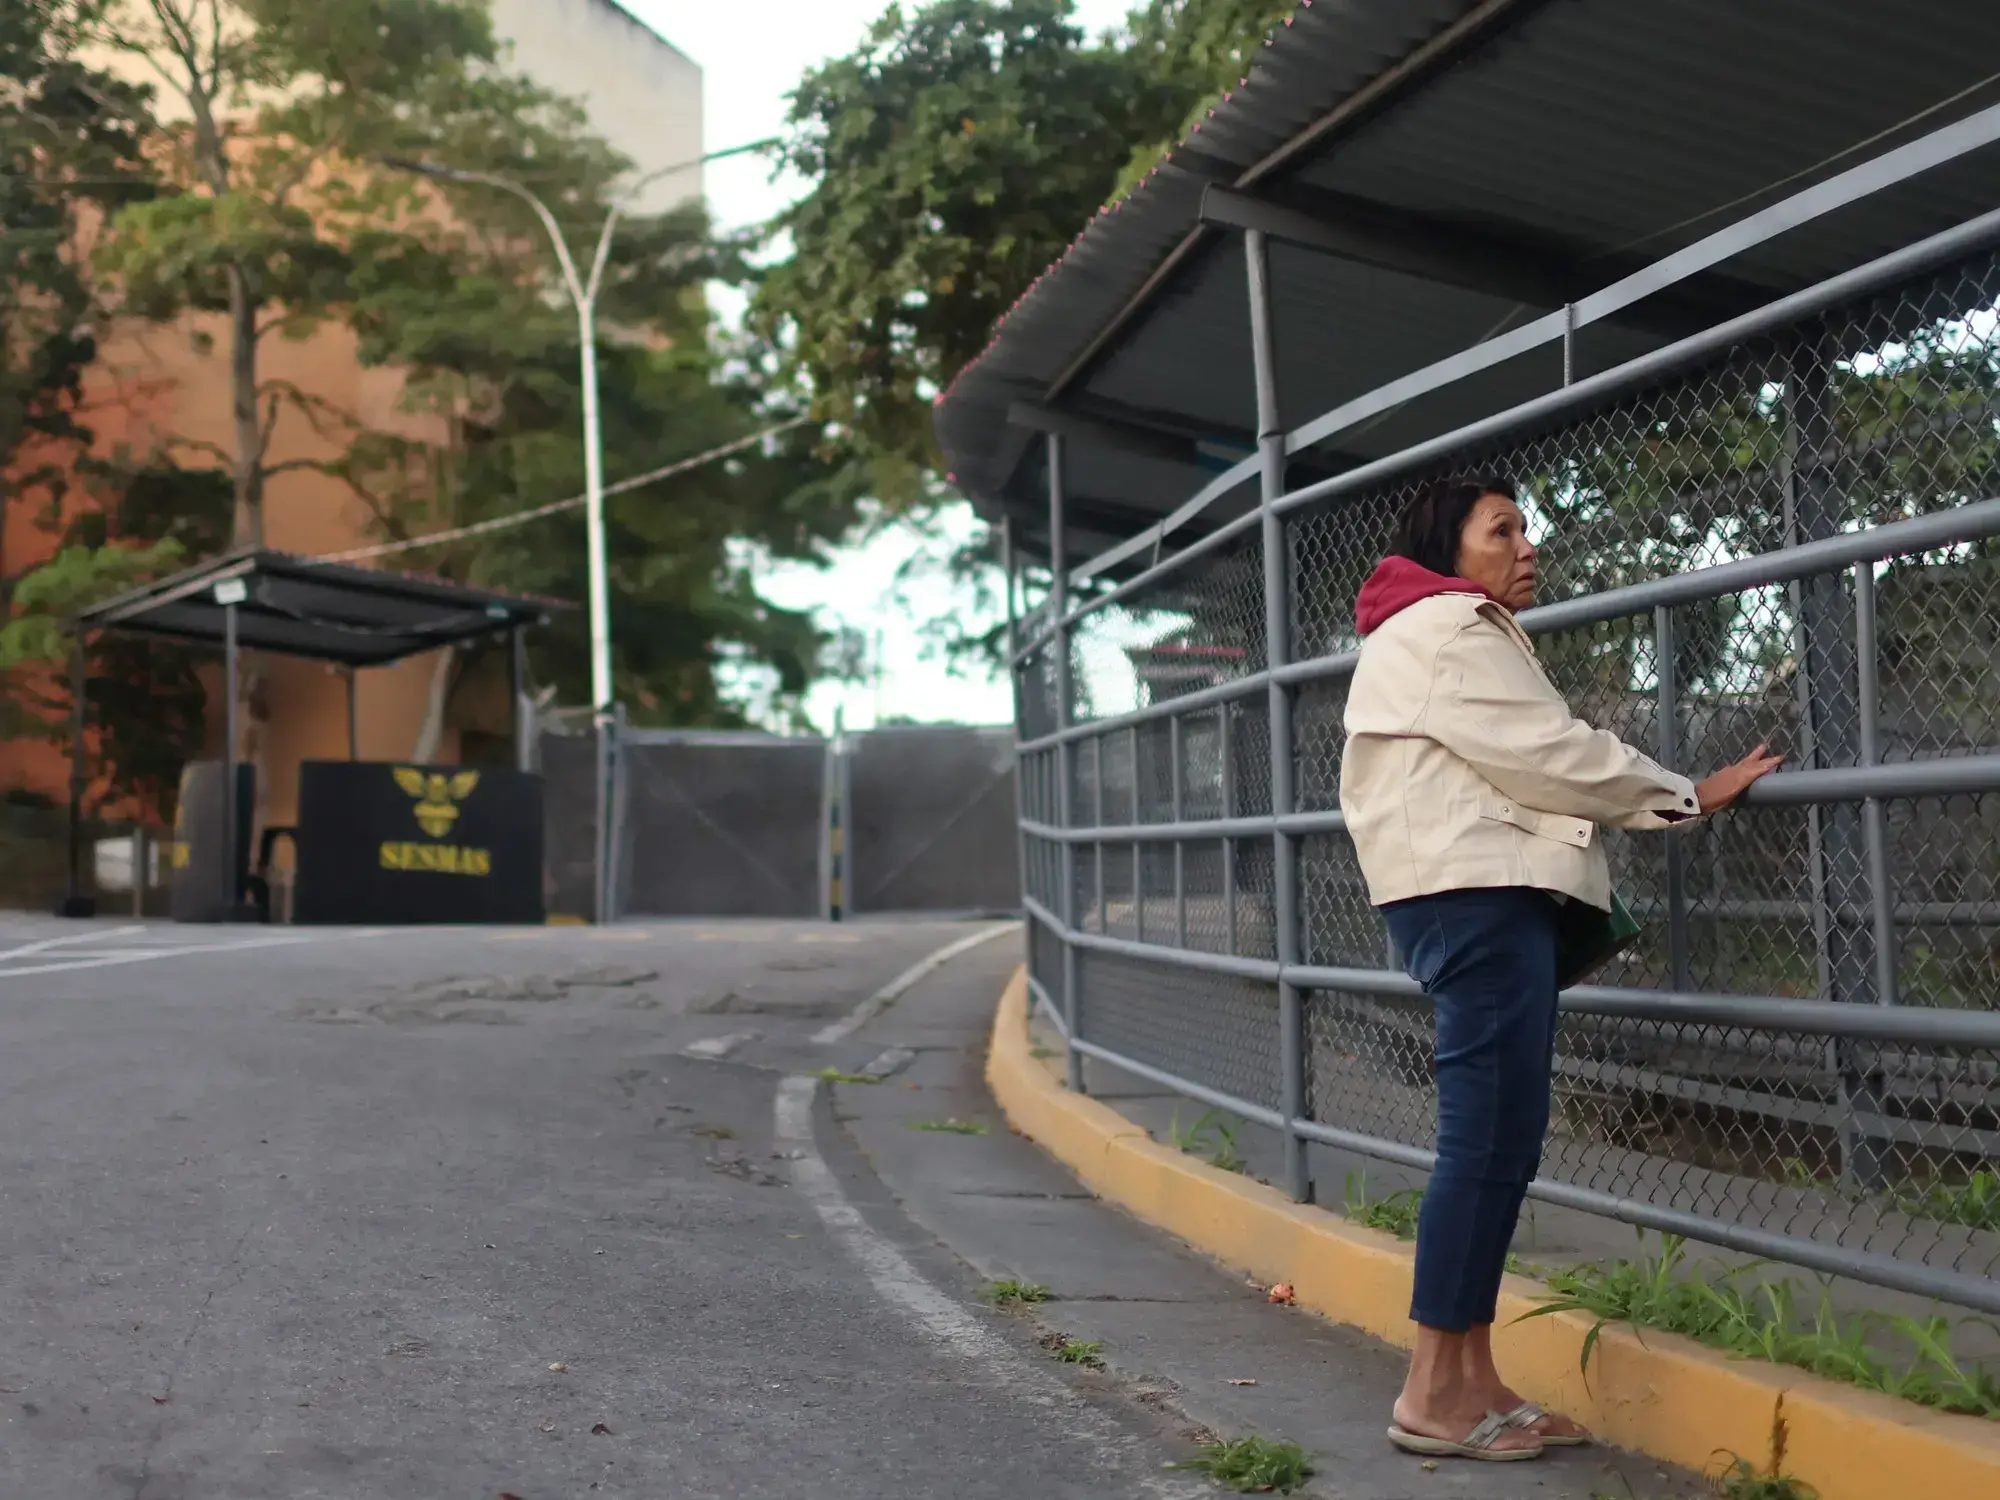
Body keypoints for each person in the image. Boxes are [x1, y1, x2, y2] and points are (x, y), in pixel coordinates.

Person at [1337, 476, 1782, 1462]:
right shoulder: (1450, 629)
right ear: (1448, 550)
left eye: (1525, 526)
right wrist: (1684, 796)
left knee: (1501, 1142)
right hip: (1475, 898)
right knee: (1481, 1142)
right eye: (1502, 529)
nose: (1525, 545)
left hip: (1473, 894)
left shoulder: (1432, 630)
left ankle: (1470, 1377)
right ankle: (1426, 1393)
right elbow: (1551, 755)